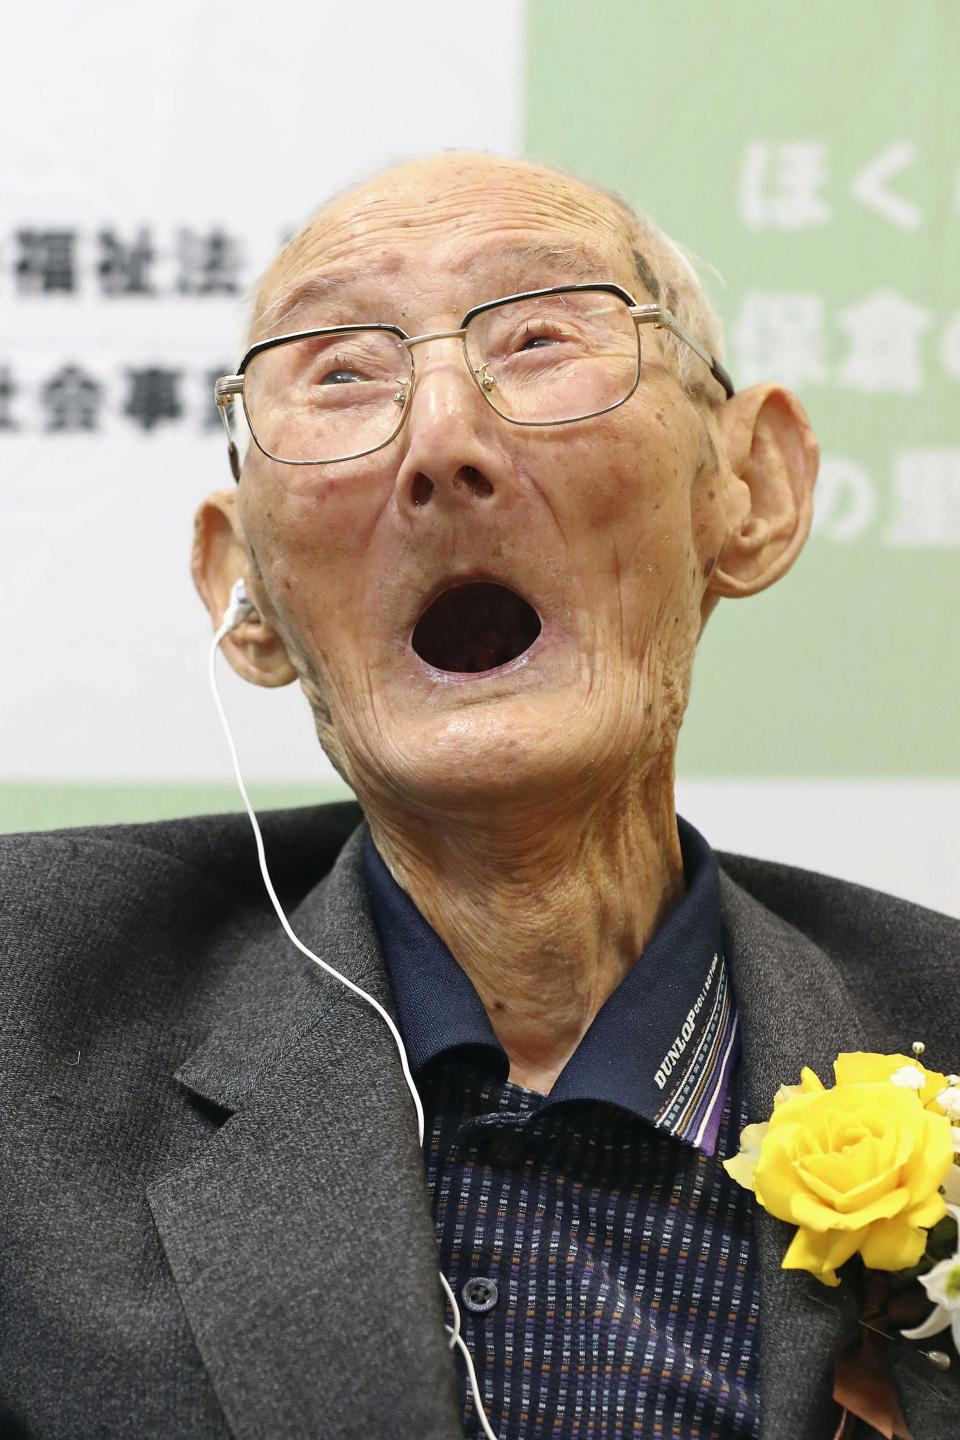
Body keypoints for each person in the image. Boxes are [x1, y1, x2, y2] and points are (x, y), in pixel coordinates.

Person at [1, 154, 957, 1440]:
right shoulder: (31, 1024)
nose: (445, 442)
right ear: (243, 592)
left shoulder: (935, 1027)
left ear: (751, 492)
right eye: (341, 372)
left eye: (541, 337)